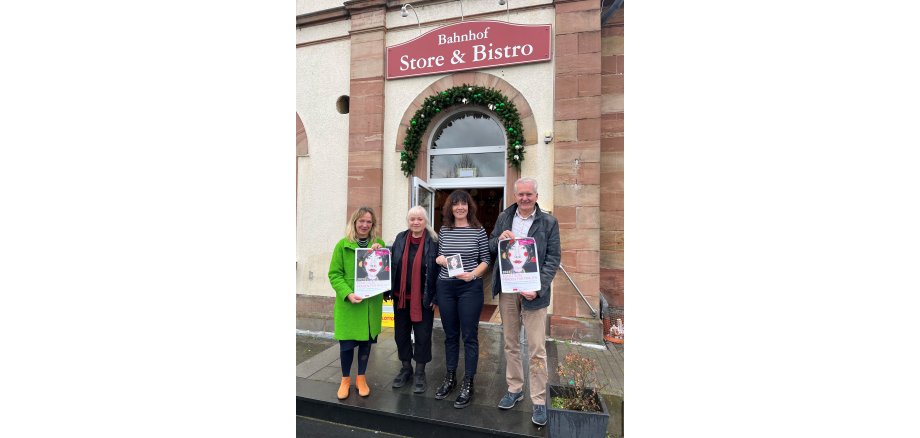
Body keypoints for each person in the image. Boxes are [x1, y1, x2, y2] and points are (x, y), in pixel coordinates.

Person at [489, 177, 561, 426]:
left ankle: (539, 400)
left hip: (534, 293)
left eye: (529, 194)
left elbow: (554, 258)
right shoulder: (504, 218)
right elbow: (490, 245)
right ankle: (515, 388)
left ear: (536, 196)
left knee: (537, 349)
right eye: (520, 194)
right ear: (516, 195)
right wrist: (498, 240)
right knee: (510, 343)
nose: (524, 198)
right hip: (508, 290)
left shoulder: (548, 222)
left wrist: (538, 287)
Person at [433, 190, 491, 408]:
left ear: (469, 207)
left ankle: (468, 381)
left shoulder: (479, 231)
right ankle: (450, 377)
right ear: (450, 207)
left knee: (469, 336)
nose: (459, 208)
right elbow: (440, 255)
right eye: (455, 204)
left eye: (463, 204)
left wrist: (474, 274)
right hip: (446, 287)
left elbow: (486, 259)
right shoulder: (445, 230)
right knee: (450, 335)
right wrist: (440, 260)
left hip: (469, 287)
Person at [374, 206, 439, 394]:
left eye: (419, 219)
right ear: (407, 221)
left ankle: (420, 372)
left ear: (425, 221)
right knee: (401, 334)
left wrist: (435, 296)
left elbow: (438, 271)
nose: (416, 222)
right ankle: (406, 368)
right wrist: (379, 249)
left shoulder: (433, 241)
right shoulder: (401, 238)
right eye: (412, 219)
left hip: (424, 299)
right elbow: (391, 259)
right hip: (401, 298)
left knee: (423, 335)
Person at [328, 206, 387, 400]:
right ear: (354, 222)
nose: (364, 225)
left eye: (368, 222)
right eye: (361, 221)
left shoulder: (379, 244)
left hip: (370, 304)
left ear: (373, 225)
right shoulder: (342, 245)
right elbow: (334, 274)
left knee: (365, 344)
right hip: (349, 305)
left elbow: (384, 271)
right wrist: (348, 293)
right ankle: (345, 379)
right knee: (346, 345)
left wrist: (381, 253)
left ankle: (361, 378)